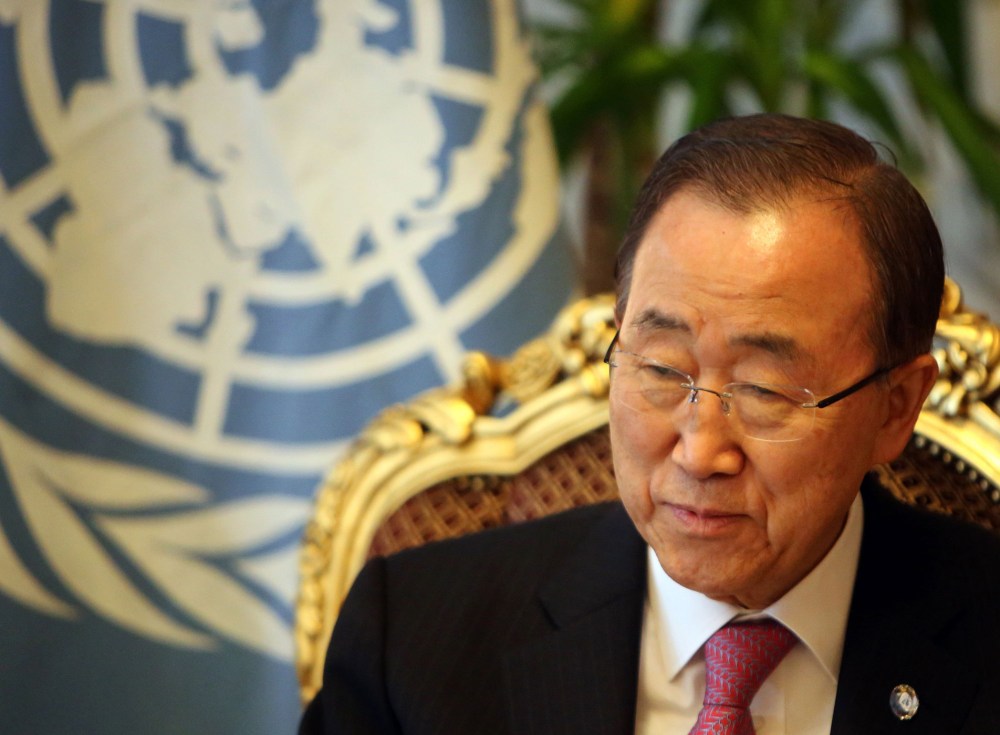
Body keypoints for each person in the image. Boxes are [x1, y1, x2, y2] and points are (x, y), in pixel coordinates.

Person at [299, 114, 1000, 734]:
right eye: (662, 369)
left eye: (762, 388)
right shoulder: (418, 639)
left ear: (895, 407)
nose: (699, 451)